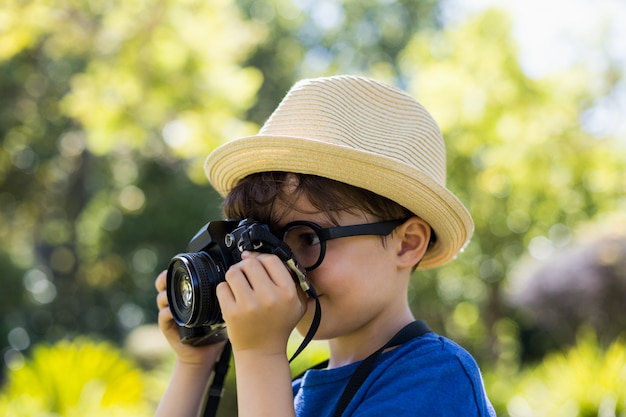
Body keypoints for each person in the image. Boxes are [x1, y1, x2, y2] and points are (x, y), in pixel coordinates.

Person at [155, 75, 496, 416]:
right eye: (264, 243)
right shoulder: (289, 395)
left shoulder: (436, 378)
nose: (279, 267)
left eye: (307, 238)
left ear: (407, 243)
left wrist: (259, 354)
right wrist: (195, 360)